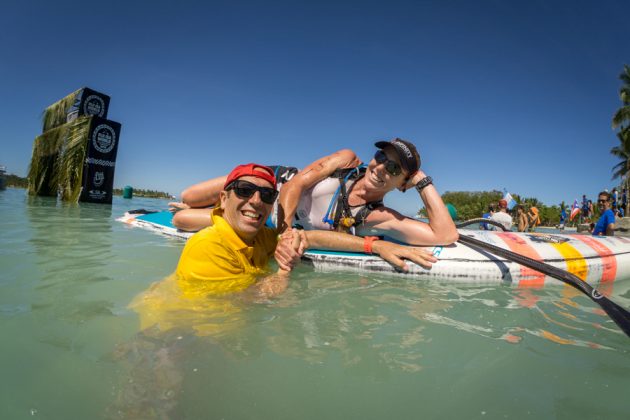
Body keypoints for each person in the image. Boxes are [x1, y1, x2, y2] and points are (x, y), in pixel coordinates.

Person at [176, 162, 438, 297]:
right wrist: (283, 272)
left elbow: (310, 237)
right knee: (185, 208)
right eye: (244, 192)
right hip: (175, 340)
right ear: (224, 198)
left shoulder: (264, 237)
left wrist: (375, 245)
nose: (257, 200)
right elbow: (237, 305)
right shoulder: (208, 246)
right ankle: (192, 208)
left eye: (266, 196)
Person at [170, 139, 459, 252]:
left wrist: (421, 180)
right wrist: (285, 232)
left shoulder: (378, 217)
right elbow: (296, 185)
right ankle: (215, 200)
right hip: (273, 182)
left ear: (402, 183)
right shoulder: (346, 160)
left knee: (182, 218)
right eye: (381, 156)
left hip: (266, 216)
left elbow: (445, 235)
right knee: (190, 195)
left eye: (394, 168)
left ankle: (214, 207)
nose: (381, 167)